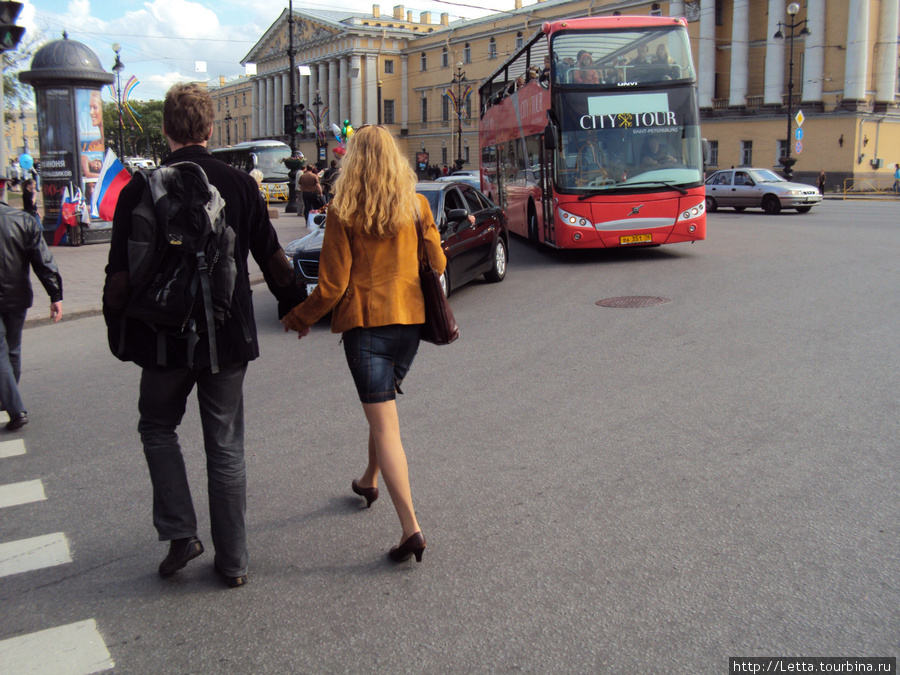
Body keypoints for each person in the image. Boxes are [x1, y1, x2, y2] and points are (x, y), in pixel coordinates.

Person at [103, 83, 303, 588]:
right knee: (225, 447)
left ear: (167, 129)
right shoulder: (238, 185)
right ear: (211, 130)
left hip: (162, 338)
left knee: (156, 427)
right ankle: (233, 562)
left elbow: (118, 276)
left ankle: (179, 533)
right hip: (226, 337)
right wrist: (294, 304)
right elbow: (271, 255)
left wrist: (119, 332)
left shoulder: (138, 189)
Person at [281, 125, 446, 564]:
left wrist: (299, 318)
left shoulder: (344, 211)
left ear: (353, 161)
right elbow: (439, 262)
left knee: (386, 424)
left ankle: (411, 528)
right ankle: (368, 479)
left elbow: (332, 286)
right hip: (410, 325)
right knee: (384, 408)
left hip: (367, 329)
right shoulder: (416, 205)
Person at [0, 173, 63, 432]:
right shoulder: (23, 220)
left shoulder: (23, 220)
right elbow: (43, 260)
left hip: (16, 297)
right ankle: (8, 396)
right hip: (17, 296)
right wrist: (55, 295)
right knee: (12, 350)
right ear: (4, 188)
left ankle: (15, 408)